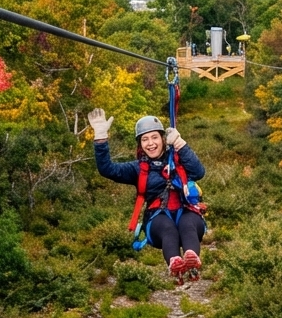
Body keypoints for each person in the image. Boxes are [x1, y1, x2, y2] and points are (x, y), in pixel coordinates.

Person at [89, 109, 207, 283]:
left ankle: (191, 257)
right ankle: (174, 262)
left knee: (187, 224)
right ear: (140, 145)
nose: (150, 143)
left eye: (154, 137)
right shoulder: (137, 168)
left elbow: (199, 172)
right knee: (168, 228)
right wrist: (100, 138)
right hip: (157, 218)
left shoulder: (178, 158)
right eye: (145, 139)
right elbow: (107, 169)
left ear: (163, 139)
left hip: (187, 212)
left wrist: (180, 144)